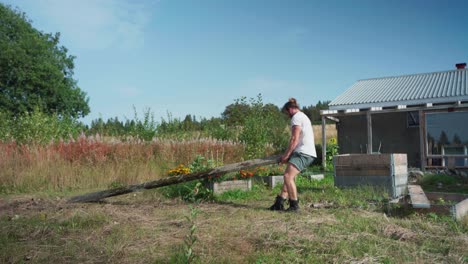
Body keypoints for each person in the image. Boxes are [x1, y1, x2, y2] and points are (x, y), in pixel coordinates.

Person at [269, 98, 316, 212]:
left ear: (289, 109)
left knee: (288, 177)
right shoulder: (302, 116)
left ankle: (294, 206)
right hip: (304, 152)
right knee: (289, 177)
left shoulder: (296, 118)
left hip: (303, 153)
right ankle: (279, 203)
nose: (286, 115)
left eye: (286, 113)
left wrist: (286, 155)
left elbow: (294, 139)